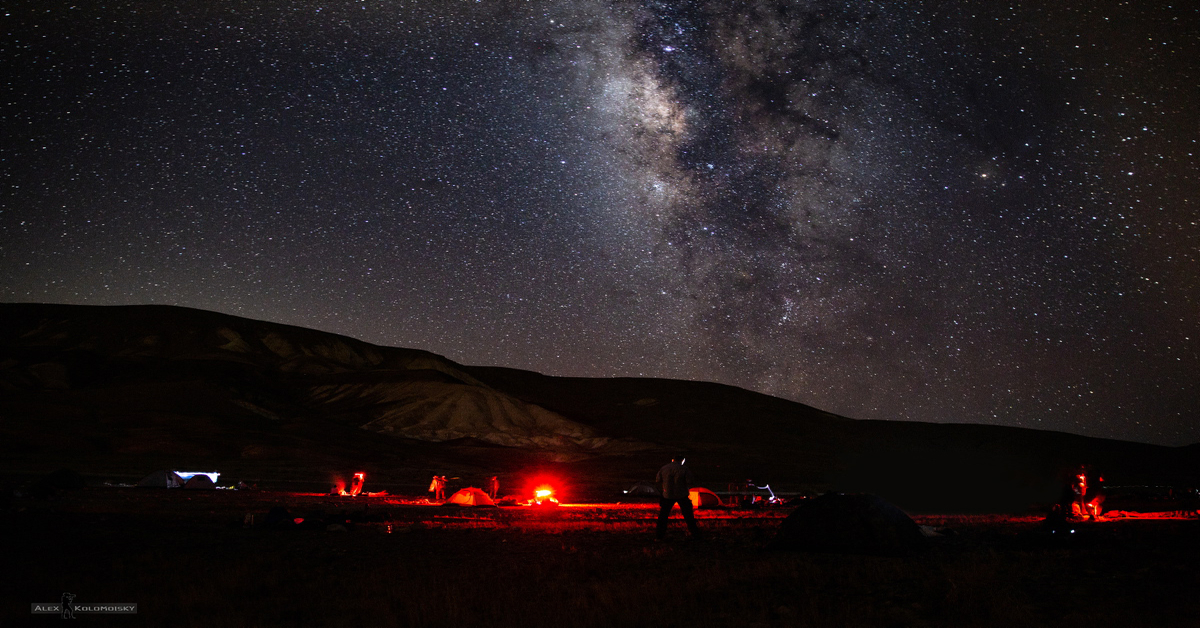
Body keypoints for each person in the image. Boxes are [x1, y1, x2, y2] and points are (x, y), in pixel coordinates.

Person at [655, 456, 699, 540]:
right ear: (682, 460)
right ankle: (695, 534)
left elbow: (658, 480)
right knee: (688, 516)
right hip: (682, 494)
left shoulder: (664, 468)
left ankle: (659, 535)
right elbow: (690, 481)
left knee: (663, 516)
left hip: (667, 495)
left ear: (672, 460)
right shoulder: (684, 469)